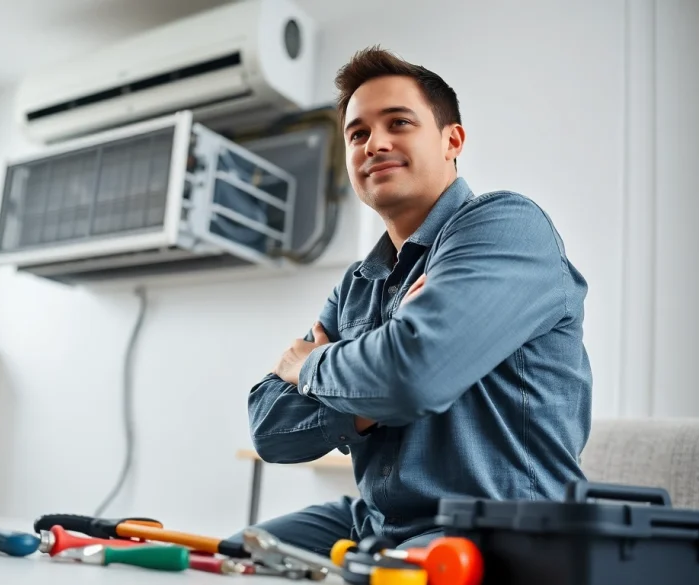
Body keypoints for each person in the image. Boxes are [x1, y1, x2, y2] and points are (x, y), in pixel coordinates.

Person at [228, 46, 593, 554]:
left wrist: (311, 366)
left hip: (497, 526)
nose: (374, 144)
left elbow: (411, 378)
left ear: (452, 140)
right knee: (236, 555)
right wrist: (377, 376)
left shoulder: (507, 226)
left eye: (398, 123)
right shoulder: (358, 284)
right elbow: (269, 427)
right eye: (358, 134)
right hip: (375, 522)